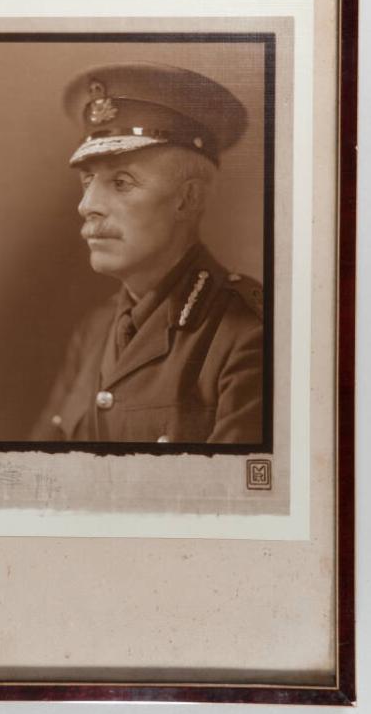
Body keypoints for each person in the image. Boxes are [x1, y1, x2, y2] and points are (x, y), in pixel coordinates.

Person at [34, 61, 263, 444]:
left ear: (187, 199)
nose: (87, 205)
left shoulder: (248, 335)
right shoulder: (94, 331)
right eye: (88, 181)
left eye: (121, 182)